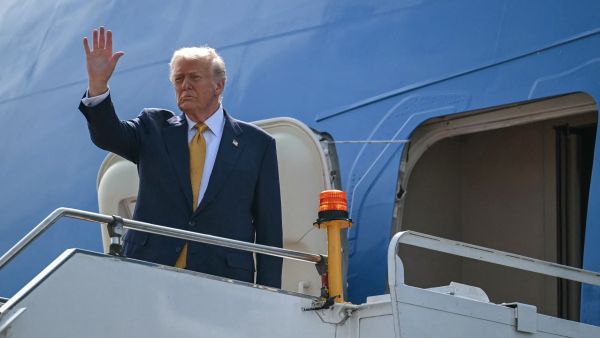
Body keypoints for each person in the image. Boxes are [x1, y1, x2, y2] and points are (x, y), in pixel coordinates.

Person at [79, 26, 283, 288]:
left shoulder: (257, 145)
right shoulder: (152, 127)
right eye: (178, 79)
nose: (184, 85)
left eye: (194, 77)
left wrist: (269, 295)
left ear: (219, 85)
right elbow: (107, 135)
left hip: (223, 281)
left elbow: (269, 229)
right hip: (149, 273)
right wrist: (98, 86)